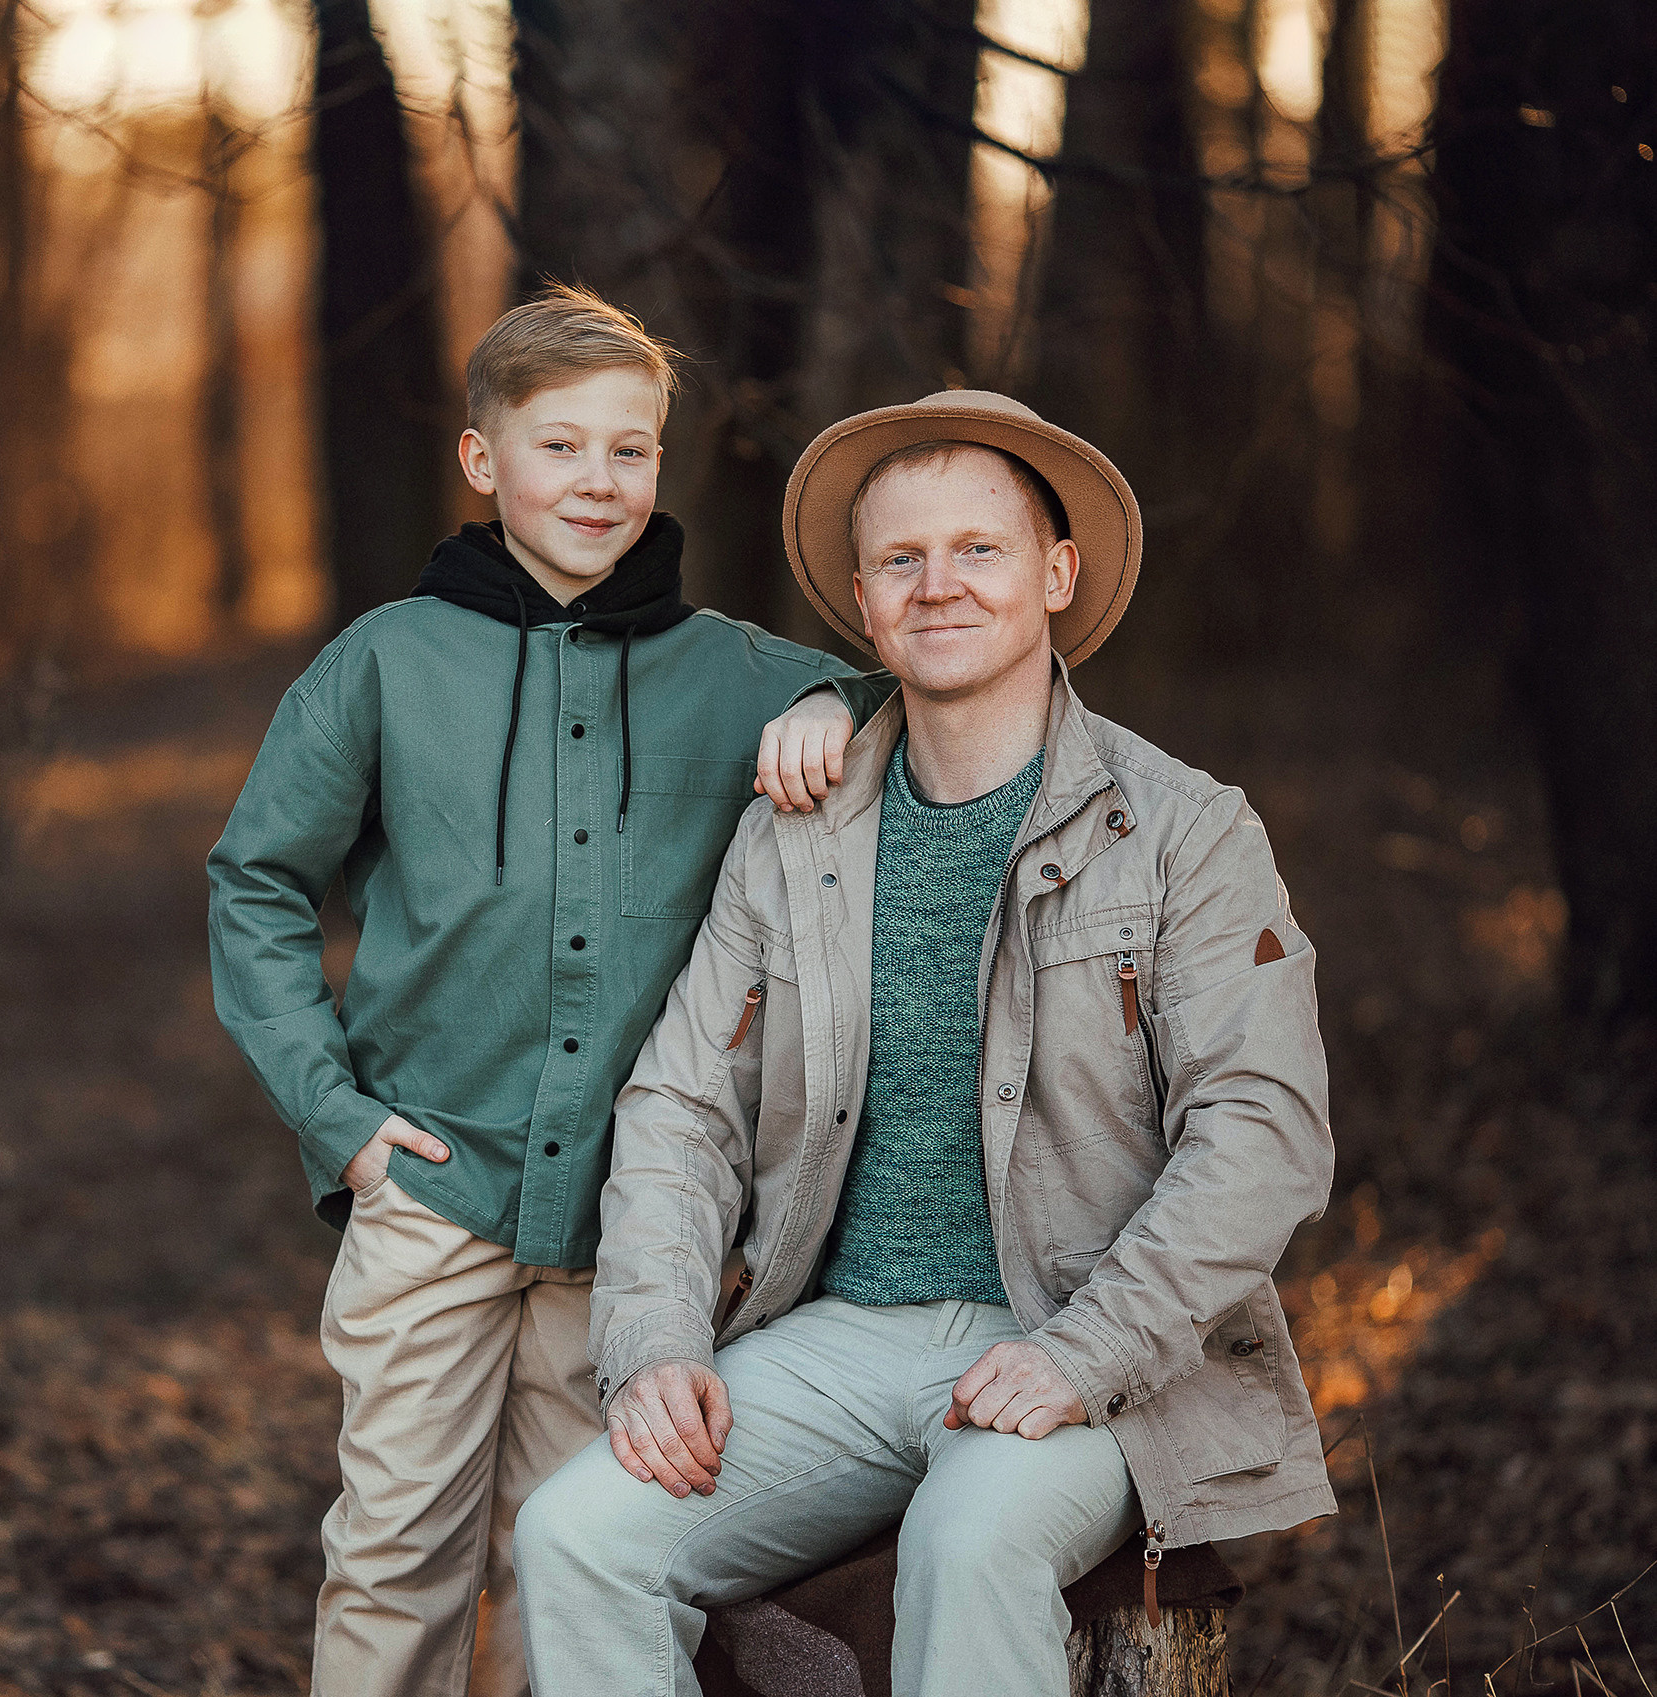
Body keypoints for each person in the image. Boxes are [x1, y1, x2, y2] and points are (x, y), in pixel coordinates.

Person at [513, 391, 1338, 1697]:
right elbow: (681, 1106)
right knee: (576, 1533)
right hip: (837, 1339)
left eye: (981, 550)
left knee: (968, 1536)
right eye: (903, 558)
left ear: (1057, 574)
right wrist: (659, 1339)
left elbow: (1266, 1135)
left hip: (1094, 1336)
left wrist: (1084, 1351)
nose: (938, 585)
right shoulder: (797, 830)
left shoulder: (1187, 831)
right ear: (862, 593)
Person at [206, 284, 896, 1697]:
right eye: (561, 446)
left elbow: (905, 694)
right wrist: (333, 1115)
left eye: (629, 449)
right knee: (399, 1552)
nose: (599, 480)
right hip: (432, 1185)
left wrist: (843, 705)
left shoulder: (740, 674)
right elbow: (256, 881)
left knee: (567, 1558)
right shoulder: (385, 664)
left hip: (635, 1231)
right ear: (483, 459)